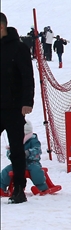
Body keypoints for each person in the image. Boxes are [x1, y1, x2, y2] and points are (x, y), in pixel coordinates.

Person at [0, 13, 35, 203]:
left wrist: (27, 101)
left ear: (1, 27)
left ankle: (19, 189)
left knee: (16, 149)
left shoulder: (19, 48)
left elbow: (27, 76)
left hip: (13, 107)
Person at [0, 120, 51, 197]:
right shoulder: (16, 140)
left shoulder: (33, 140)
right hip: (18, 163)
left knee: (36, 171)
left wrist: (27, 153)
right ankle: (1, 187)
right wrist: (10, 154)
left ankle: (42, 187)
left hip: (32, 162)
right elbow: (11, 151)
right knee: (6, 171)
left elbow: (37, 150)